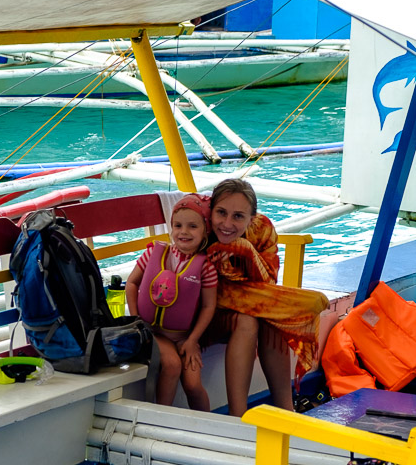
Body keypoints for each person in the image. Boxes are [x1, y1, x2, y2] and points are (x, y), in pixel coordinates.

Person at [205, 179, 328, 417]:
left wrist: (246, 250)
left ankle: (286, 410)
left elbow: (268, 282)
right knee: (258, 315)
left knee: (267, 318)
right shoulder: (201, 227)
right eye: (221, 213)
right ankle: (238, 415)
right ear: (210, 210)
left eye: (238, 216)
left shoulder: (261, 229)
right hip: (207, 307)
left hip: (248, 300)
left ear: (252, 218)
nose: (227, 223)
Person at [125, 194, 218, 411]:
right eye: (178, 225)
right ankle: (162, 420)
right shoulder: (153, 254)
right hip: (153, 332)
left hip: (184, 337)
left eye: (192, 226)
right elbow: (132, 283)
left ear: (206, 231)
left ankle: (208, 426)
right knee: (173, 364)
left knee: (193, 385)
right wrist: (137, 319)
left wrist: (193, 340)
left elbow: (208, 306)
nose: (183, 232)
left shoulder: (206, 268)